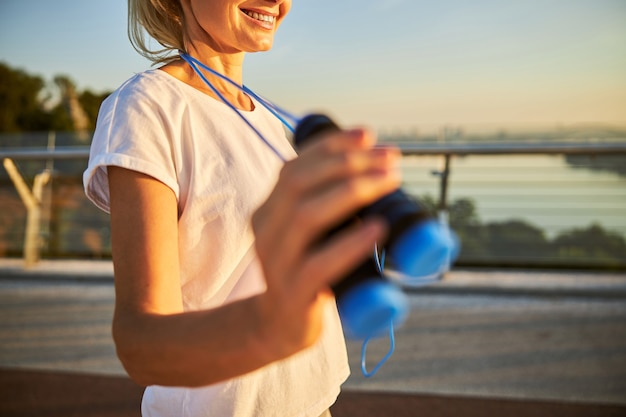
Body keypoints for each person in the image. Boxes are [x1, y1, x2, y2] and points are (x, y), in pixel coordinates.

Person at [83, 0, 401, 415]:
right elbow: (141, 344)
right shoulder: (147, 106)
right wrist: (272, 326)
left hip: (316, 402)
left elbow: (262, 265)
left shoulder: (266, 117)